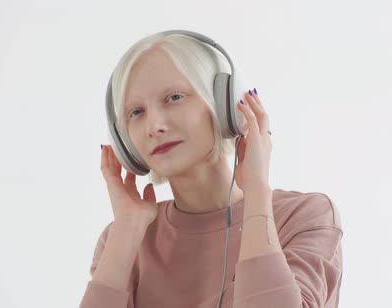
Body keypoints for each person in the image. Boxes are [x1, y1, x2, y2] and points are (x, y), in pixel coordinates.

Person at [79, 32, 343, 308]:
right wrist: (126, 232)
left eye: (174, 97)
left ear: (223, 104)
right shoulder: (122, 240)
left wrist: (257, 195)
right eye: (136, 112)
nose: (154, 126)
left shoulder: (305, 216)